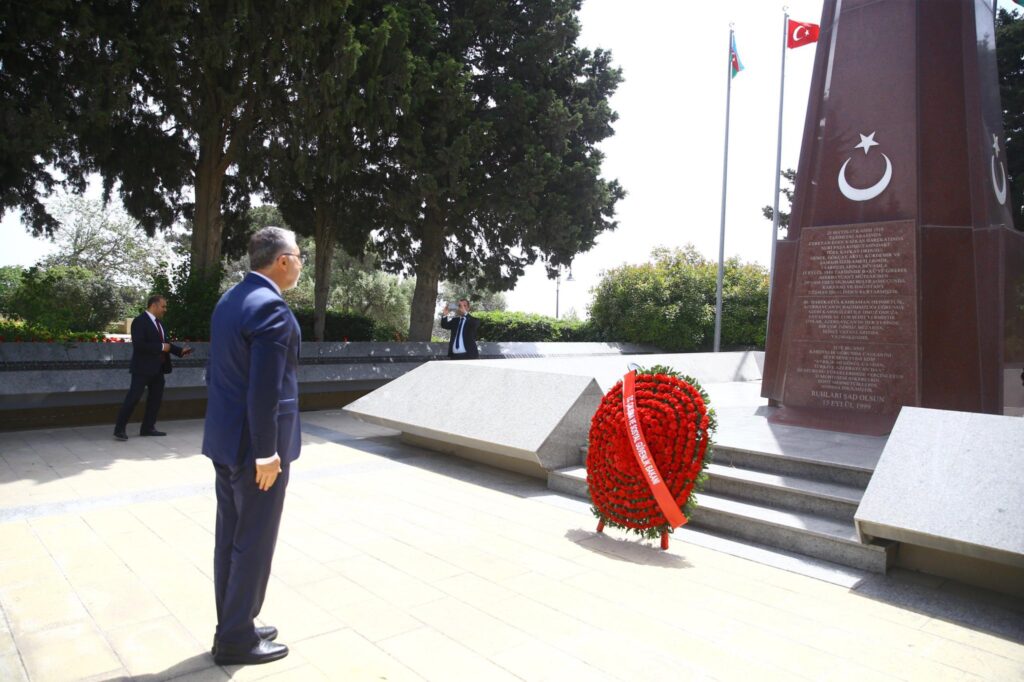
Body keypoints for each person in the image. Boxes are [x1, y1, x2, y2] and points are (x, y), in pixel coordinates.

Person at [202, 226, 303, 666]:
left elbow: (220, 373)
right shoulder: (271, 308)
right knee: (254, 542)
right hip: (256, 452)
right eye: (299, 256)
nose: (300, 265)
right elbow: (264, 390)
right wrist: (267, 453)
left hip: (226, 441)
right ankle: (236, 640)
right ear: (282, 260)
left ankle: (234, 624)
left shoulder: (231, 299)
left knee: (230, 539)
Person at [113, 295, 192, 440]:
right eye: (163, 306)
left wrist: (180, 351)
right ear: (154, 305)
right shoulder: (139, 321)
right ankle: (119, 429)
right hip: (142, 369)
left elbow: (166, 344)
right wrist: (161, 347)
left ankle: (148, 428)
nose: (165, 309)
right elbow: (139, 345)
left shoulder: (159, 323)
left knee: (155, 399)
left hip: (158, 368)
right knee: (133, 398)